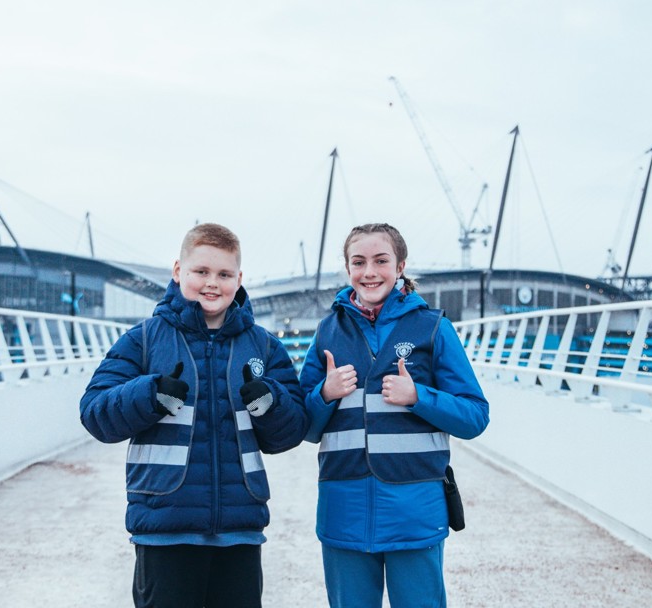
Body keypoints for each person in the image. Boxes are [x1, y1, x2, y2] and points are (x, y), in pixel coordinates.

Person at [80, 223, 308, 608]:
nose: (212, 283)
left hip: (240, 530)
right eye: (200, 272)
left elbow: (291, 430)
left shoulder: (264, 345)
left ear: (240, 278)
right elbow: (94, 413)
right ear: (177, 272)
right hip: (164, 529)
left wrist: (272, 403)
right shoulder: (145, 339)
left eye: (223, 274)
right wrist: (148, 394)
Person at [298, 222, 489, 608]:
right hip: (343, 513)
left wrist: (419, 396)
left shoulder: (433, 328)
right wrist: (325, 393)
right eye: (359, 262)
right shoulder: (326, 333)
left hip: (415, 513)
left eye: (381, 261)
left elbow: (474, 416)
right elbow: (305, 426)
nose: (369, 272)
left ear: (400, 265)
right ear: (347, 268)